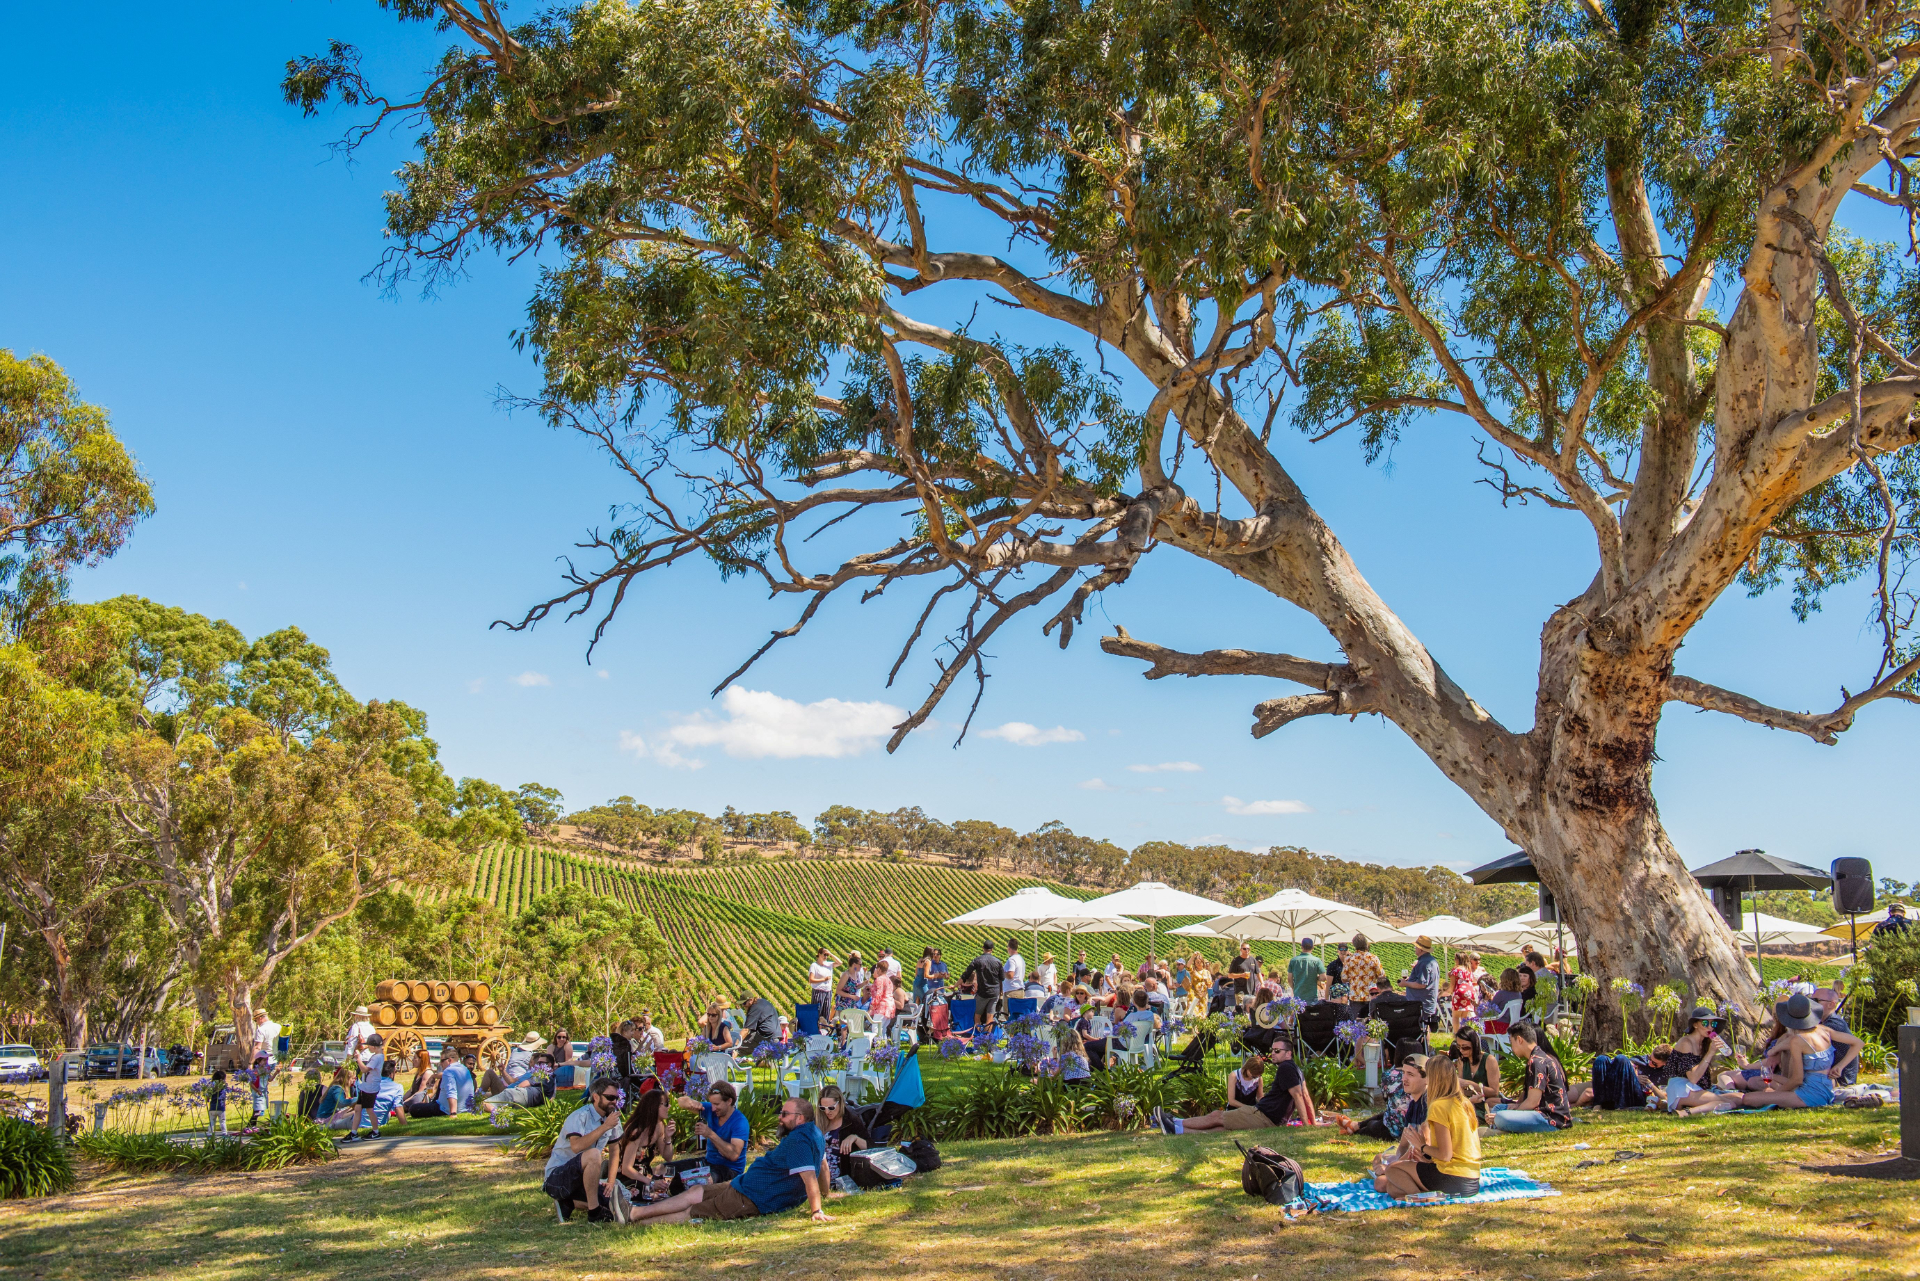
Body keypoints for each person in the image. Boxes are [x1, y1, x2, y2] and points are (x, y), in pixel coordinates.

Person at [623, 1095, 831, 1227]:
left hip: (754, 1196)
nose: (780, 1117)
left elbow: (809, 1176)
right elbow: (822, 1165)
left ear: (800, 1118)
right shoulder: (815, 1133)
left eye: (785, 1114)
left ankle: (641, 1221)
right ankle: (635, 1212)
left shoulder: (799, 1140)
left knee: (695, 1211)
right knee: (697, 1192)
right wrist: (826, 1194)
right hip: (745, 1184)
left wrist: (816, 1210)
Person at [1729, 992, 1863, 1110]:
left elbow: (1797, 1080)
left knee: (1748, 1099)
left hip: (1809, 1095)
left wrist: (1777, 1094)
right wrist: (1839, 1066)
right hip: (1826, 1089)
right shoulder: (1824, 1030)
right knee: (1756, 1090)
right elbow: (1858, 1043)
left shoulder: (1797, 1041)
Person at [1152, 1041, 1318, 1132]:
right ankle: (1175, 1129)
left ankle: (1176, 1121)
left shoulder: (1286, 1067)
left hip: (1263, 1115)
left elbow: (1298, 1096)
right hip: (1267, 1117)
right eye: (1272, 1050)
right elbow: (1305, 1095)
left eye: (1277, 1051)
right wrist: (1313, 1123)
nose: (1273, 1054)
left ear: (1288, 1053)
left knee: (1217, 1116)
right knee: (1221, 1127)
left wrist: (1306, 1126)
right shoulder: (1295, 1068)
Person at [1376, 1056, 1481, 1198]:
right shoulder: (1464, 1102)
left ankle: (1421, 1199)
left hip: (1452, 1176)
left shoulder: (1439, 1106)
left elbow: (1445, 1155)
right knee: (1392, 1189)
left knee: (1392, 1170)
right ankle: (1420, 1194)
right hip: (1472, 1180)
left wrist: (1422, 1147)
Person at [543, 1078, 626, 1223]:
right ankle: (594, 1213)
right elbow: (576, 1147)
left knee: (612, 1200)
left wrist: (611, 1182)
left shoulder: (612, 1119)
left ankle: (568, 1203)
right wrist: (605, 1127)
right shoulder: (580, 1116)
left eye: (616, 1098)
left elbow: (614, 1151)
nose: (614, 1101)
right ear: (596, 1097)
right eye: (610, 1097)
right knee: (594, 1154)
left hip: (583, 1179)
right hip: (557, 1179)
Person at [1489, 1021, 1571, 1132]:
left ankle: (1498, 1127)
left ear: (1519, 1039)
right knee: (1498, 1109)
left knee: (1500, 1117)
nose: (1511, 1047)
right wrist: (1515, 1107)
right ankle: (1498, 1126)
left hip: (1550, 1119)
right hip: (1540, 1113)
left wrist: (1513, 1112)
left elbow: (1533, 1102)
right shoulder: (1539, 1057)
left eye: (1511, 1041)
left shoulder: (1536, 1062)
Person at [670, 1079, 750, 1179]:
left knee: (701, 1181)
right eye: (711, 1103)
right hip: (708, 1163)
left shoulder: (740, 1122)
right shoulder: (711, 1110)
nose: (712, 1108)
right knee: (666, 1169)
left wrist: (710, 1134)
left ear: (729, 1101)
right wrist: (691, 1102)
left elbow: (733, 1155)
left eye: (716, 1104)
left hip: (730, 1170)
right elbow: (681, 1101)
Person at [607, 1088, 675, 1200]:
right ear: (654, 1106)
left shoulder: (659, 1126)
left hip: (646, 1175)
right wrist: (651, 1183)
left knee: (675, 1179)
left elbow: (668, 1157)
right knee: (644, 1192)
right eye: (666, 1104)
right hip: (628, 1177)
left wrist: (668, 1138)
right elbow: (626, 1169)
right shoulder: (636, 1131)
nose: (669, 1107)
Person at [816, 1083, 870, 1186]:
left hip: (842, 1176)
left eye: (831, 1108)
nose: (827, 1112)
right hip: (818, 1174)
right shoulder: (818, 1121)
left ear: (840, 1104)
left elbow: (871, 1147)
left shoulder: (851, 1120)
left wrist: (855, 1138)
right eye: (823, 1108)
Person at [339, 1031, 386, 1141]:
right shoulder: (377, 1056)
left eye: (369, 1046)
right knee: (358, 1109)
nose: (368, 1048)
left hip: (370, 1088)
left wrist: (359, 1059)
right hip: (365, 1087)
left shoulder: (377, 1058)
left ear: (374, 1047)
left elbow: (365, 1069)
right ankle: (354, 1132)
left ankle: (376, 1131)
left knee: (369, 1109)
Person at [1450, 1027, 1500, 1125]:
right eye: (1458, 1047)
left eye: (1465, 1047)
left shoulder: (1489, 1060)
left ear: (1475, 1045)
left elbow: (1494, 1091)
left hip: (1486, 1106)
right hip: (1469, 1104)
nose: (1461, 1051)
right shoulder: (1462, 1061)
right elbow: (1462, 1091)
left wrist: (1471, 1084)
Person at [482, 1051, 553, 1118]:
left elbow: (526, 1085)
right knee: (486, 1094)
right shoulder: (528, 1073)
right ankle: (477, 1096)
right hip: (508, 1089)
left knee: (490, 1072)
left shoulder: (537, 1075)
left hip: (512, 1092)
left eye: (531, 1062)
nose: (529, 1064)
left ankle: (479, 1095)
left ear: (536, 1063)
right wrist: (503, 1071)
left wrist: (517, 1088)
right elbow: (512, 1081)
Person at [1814, 987, 1859, 1087]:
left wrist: (1840, 1066)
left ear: (1832, 1004)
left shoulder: (1833, 1024)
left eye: (1817, 1001)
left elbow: (1858, 1044)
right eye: (1811, 1000)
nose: (1811, 1004)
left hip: (1840, 1082)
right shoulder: (1826, 1022)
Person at [963, 941, 1005, 1028]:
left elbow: (966, 973)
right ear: (992, 950)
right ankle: (987, 1038)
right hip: (994, 993)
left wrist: (956, 985)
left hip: (983, 993)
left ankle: (978, 1035)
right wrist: (1001, 991)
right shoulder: (998, 962)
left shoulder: (978, 960)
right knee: (990, 1017)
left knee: (977, 1015)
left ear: (983, 948)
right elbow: (1002, 978)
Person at [1405, 937, 1441, 1029]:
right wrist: (1410, 980)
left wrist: (1405, 983)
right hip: (1425, 1003)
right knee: (1424, 1029)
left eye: (1416, 947)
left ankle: (1422, 1043)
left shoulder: (1424, 963)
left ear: (1420, 949)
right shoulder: (1431, 961)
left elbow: (1421, 984)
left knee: (1419, 1028)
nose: (1415, 949)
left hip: (1420, 1004)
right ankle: (1425, 1043)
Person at [1448, 951, 1485, 1034]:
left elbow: (1452, 985)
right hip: (1469, 992)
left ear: (1458, 959)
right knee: (1464, 1016)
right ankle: (1465, 1034)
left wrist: (1449, 993)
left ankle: (1457, 1035)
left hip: (1459, 992)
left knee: (1455, 1016)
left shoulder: (1456, 969)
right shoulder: (1468, 970)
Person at [1342, 935, 1387, 999]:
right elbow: (1382, 976)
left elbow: (1344, 979)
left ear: (1354, 945)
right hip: (1371, 995)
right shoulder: (1373, 958)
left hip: (1355, 996)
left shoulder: (1349, 959)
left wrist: (1355, 978)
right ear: (1366, 944)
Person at [1287, 939, 1325, 1004]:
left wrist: (1294, 988)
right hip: (1312, 998)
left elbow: (1289, 979)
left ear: (1301, 946)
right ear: (1313, 947)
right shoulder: (1317, 961)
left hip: (1298, 997)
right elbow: (1323, 977)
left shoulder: (1293, 961)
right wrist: (1316, 978)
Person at [808, 948, 837, 1019]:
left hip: (828, 991)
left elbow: (840, 962)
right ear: (819, 954)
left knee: (826, 1013)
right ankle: (815, 1028)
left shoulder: (828, 964)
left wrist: (830, 954)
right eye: (824, 954)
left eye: (827, 955)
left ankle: (824, 1028)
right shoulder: (814, 965)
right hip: (818, 991)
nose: (826, 957)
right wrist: (823, 979)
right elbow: (811, 980)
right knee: (817, 1013)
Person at [207, 1069, 230, 1137]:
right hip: (221, 1107)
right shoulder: (223, 1086)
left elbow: (208, 1096)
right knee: (222, 1121)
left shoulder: (211, 1086)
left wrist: (208, 1099)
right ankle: (224, 1132)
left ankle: (210, 1132)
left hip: (212, 1107)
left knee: (212, 1121)